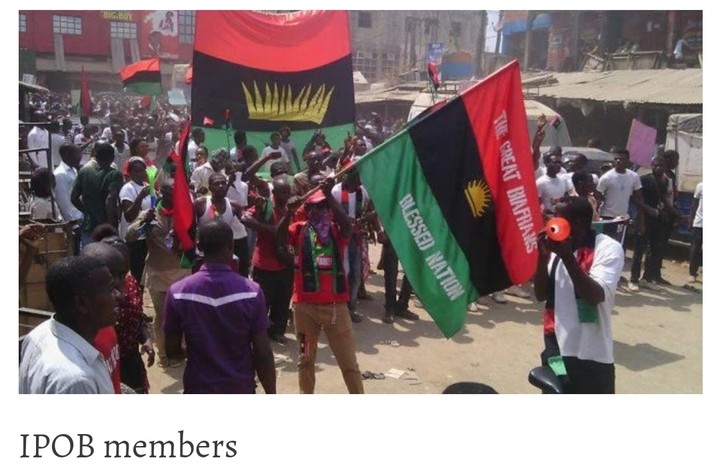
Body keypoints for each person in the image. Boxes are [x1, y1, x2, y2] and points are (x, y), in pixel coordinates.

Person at [164, 221, 276, 394]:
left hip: (198, 387)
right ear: (232, 246)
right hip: (240, 387)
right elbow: (262, 352)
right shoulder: (251, 292)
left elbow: (171, 350)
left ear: (199, 247)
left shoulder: (178, 292)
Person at [278, 180, 364, 394]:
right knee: (305, 360)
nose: (318, 211)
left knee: (349, 363)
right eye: (313, 207)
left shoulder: (336, 231)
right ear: (306, 210)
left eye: (323, 206)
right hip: (304, 310)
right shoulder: (298, 229)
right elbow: (279, 240)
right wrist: (288, 213)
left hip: (336, 310)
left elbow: (348, 227)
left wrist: (329, 196)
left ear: (330, 208)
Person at [533, 196, 624, 393]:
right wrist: (542, 258)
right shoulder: (557, 248)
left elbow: (595, 296)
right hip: (556, 351)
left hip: (592, 355)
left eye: (559, 219)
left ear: (579, 224)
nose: (553, 224)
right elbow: (541, 294)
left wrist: (567, 256)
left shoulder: (607, 248)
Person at [20, 256, 119, 394]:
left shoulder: (37, 335)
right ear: (82, 303)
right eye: (110, 289)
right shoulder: (77, 382)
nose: (119, 295)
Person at [126, 182, 190, 368]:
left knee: (183, 314)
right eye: (171, 190)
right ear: (162, 192)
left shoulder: (186, 212)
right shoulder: (150, 213)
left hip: (182, 273)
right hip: (157, 273)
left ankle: (181, 350)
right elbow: (130, 235)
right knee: (162, 316)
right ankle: (163, 354)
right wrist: (143, 223)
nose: (175, 193)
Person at [242, 175, 295, 344]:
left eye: (288, 192)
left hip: (285, 262)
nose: (286, 195)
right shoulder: (266, 206)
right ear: (275, 193)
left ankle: (278, 331)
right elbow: (245, 218)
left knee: (283, 300)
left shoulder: (291, 207)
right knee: (263, 302)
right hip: (265, 263)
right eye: (282, 192)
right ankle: (259, 332)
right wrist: (269, 229)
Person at [331, 168, 372, 323]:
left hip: (356, 238)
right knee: (343, 272)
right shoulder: (336, 191)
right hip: (340, 237)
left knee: (356, 274)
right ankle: (339, 306)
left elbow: (368, 209)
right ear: (349, 177)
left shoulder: (362, 192)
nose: (359, 182)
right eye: (356, 178)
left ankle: (351, 306)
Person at [628, 157, 671, 292]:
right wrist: (648, 210)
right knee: (638, 251)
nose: (658, 168)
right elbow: (635, 198)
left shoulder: (664, 181)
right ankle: (633, 279)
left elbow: (662, 199)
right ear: (651, 166)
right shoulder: (644, 180)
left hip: (657, 219)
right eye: (656, 165)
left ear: (665, 167)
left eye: (661, 166)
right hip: (643, 218)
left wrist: (670, 211)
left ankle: (646, 278)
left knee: (653, 250)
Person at [71, 141, 124, 250]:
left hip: (88, 225)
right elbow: (110, 200)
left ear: (95, 156)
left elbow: (74, 198)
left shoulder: (84, 171)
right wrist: (109, 226)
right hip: (106, 228)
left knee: (89, 256)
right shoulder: (115, 175)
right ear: (112, 158)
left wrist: (86, 211)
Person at [195, 173, 250, 277]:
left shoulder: (234, 206)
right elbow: (191, 227)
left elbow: (248, 220)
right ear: (210, 187)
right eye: (216, 184)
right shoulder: (200, 204)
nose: (221, 186)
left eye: (223, 183)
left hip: (225, 256)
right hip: (204, 255)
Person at [595, 148, 645, 244]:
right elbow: (597, 198)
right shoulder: (606, 178)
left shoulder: (634, 176)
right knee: (607, 244)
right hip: (607, 217)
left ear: (627, 161)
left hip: (623, 218)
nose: (618, 161)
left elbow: (639, 199)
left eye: (621, 159)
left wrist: (641, 221)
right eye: (616, 159)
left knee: (621, 244)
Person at [119, 157, 153, 285]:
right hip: (134, 238)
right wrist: (140, 197)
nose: (140, 174)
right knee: (137, 272)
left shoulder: (147, 186)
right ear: (131, 172)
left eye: (142, 170)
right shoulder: (128, 188)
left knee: (145, 272)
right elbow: (129, 216)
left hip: (146, 236)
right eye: (136, 171)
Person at [54, 143, 84, 254]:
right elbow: (63, 201)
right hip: (74, 222)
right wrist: (73, 223)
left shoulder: (74, 170)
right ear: (66, 154)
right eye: (77, 153)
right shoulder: (60, 174)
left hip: (80, 218)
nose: (80, 156)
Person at [686, 181, 703, 286]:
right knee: (695, 249)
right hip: (700, 223)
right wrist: (690, 220)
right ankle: (692, 273)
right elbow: (694, 205)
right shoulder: (700, 186)